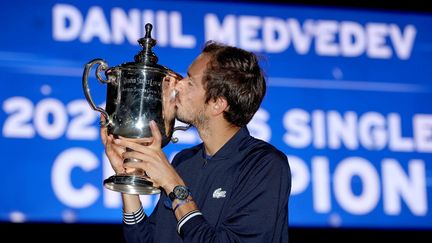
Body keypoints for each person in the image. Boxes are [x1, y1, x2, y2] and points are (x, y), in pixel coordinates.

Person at [101, 41, 291, 242]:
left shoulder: (264, 165)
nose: (177, 84)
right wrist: (126, 177)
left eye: (190, 81)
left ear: (217, 103)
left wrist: (174, 186)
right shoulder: (185, 161)